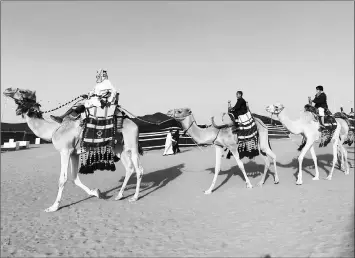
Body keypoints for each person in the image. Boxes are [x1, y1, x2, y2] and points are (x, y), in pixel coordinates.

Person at [50, 69, 119, 124]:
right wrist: (87, 96)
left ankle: (65, 118)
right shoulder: (98, 84)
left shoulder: (107, 82)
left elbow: (114, 91)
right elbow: (93, 93)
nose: (97, 77)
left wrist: (109, 101)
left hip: (98, 101)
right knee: (77, 104)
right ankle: (63, 117)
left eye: (98, 76)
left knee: (80, 106)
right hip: (93, 100)